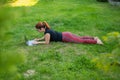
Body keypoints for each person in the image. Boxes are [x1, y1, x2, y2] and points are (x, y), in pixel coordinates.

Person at [33, 21, 103, 45]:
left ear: (41, 28)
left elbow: (46, 42)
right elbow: (45, 37)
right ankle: (94, 38)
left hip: (66, 37)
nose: (37, 31)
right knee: (80, 37)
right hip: (66, 34)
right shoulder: (47, 30)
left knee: (81, 41)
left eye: (37, 30)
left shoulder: (47, 33)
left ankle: (96, 41)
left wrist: (37, 43)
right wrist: (38, 39)